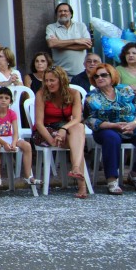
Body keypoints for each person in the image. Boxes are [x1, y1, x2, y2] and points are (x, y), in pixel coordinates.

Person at [84, 64, 136, 194]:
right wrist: (114, 125)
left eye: (103, 75)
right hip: (106, 130)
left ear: (112, 76)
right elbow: (90, 120)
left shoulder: (126, 90)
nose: (99, 78)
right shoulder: (92, 96)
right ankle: (112, 179)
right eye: (96, 76)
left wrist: (134, 124)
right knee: (112, 138)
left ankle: (135, 174)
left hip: (132, 128)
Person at [33, 66, 89, 199]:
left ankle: (75, 168)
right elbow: (39, 123)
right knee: (78, 144)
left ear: (61, 80)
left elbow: (77, 118)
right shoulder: (41, 94)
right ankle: (82, 185)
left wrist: (64, 129)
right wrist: (52, 140)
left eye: (52, 80)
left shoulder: (74, 93)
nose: (48, 84)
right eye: (46, 80)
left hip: (64, 128)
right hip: (45, 131)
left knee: (79, 128)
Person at [0, 87, 38, 189]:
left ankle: (28, 176)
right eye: (0, 97)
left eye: (6, 98)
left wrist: (13, 142)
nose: (3, 100)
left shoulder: (12, 113)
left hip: (9, 137)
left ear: (10, 101)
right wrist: (4, 143)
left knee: (27, 145)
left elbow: (15, 131)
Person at [45, 3, 92, 76]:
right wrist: (76, 41)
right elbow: (51, 44)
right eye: (60, 11)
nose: (63, 13)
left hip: (80, 72)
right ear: (56, 14)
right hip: (60, 74)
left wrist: (60, 45)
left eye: (65, 11)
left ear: (71, 14)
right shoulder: (51, 27)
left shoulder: (81, 26)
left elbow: (88, 45)